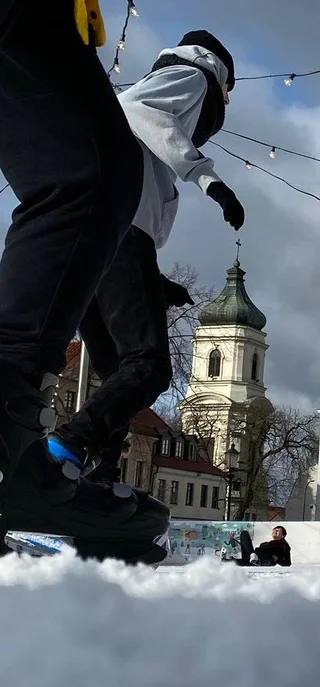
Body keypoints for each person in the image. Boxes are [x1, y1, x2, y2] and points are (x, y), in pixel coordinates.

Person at [0, 0, 170, 563]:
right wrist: (211, 178)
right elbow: (154, 116)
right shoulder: (194, 78)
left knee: (91, 173)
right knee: (89, 173)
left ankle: (17, 452)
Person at [46, 30, 244, 488]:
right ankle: (66, 448)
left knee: (117, 370)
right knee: (148, 365)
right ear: (222, 75)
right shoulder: (193, 77)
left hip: (94, 238)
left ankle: (100, 478)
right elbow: (140, 111)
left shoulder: (142, 139)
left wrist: (151, 279)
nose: (227, 105)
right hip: (117, 232)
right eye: (230, 92)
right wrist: (210, 181)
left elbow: (134, 161)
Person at [225, 527, 291, 567]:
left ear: (283, 535)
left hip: (264, 560)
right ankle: (224, 558)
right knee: (244, 533)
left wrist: (277, 559)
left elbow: (287, 563)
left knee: (243, 560)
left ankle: (253, 556)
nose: (275, 531)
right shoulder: (265, 544)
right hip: (252, 558)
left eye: (278, 530)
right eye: (274, 530)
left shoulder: (283, 545)